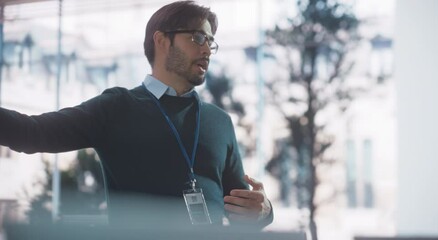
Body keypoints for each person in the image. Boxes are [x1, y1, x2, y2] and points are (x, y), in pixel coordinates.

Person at [0, 1, 272, 229]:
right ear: (161, 40)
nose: (206, 50)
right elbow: (32, 133)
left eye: (210, 42)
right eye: (198, 37)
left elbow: (242, 209)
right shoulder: (117, 107)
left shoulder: (219, 121)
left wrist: (263, 211)